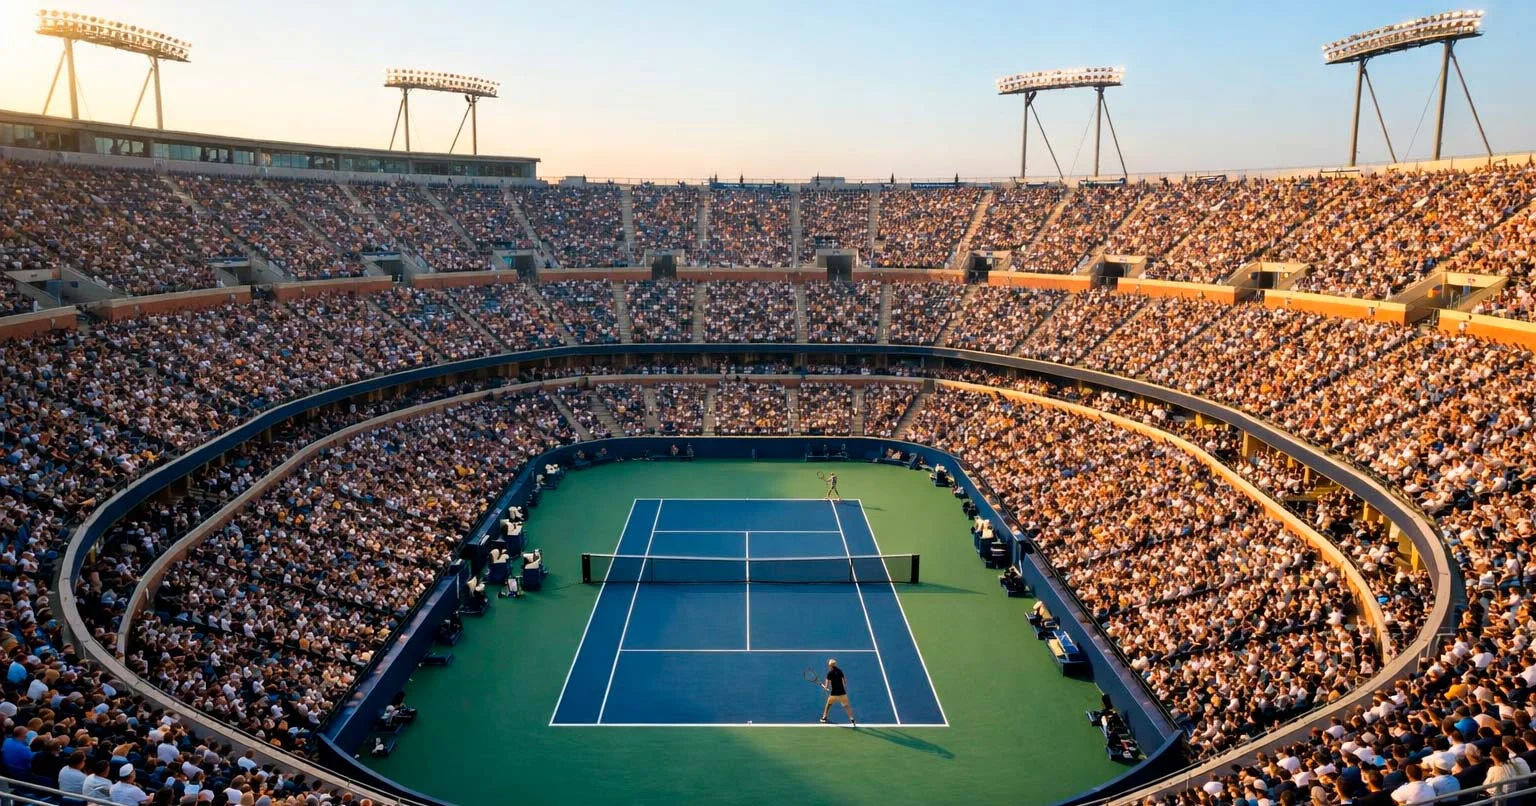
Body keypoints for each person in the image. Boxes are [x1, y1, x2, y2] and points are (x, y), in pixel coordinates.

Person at [820, 658, 855, 726]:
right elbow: (844, 681)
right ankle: (852, 720)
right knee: (847, 706)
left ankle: (824, 718)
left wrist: (825, 688)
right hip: (843, 693)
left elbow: (826, 686)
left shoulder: (829, 674)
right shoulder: (840, 671)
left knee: (828, 705)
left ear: (830, 665)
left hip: (834, 694)